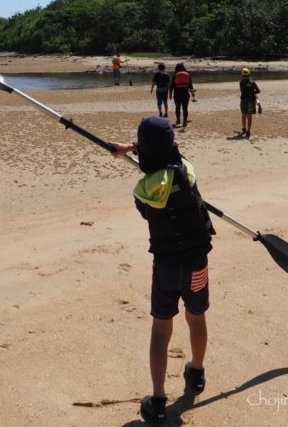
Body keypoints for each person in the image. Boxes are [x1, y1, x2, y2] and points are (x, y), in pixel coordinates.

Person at [109, 117, 215, 422]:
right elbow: (175, 156)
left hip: (166, 267)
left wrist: (131, 148)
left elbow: (150, 199)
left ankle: (157, 400)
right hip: (196, 263)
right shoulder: (189, 172)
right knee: (196, 317)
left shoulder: (143, 189)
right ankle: (196, 373)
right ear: (173, 146)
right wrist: (136, 148)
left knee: (161, 326)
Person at [169, 62, 195, 127]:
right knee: (185, 108)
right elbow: (191, 86)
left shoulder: (175, 75)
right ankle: (184, 122)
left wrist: (170, 94)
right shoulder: (187, 74)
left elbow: (172, 86)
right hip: (185, 94)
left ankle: (178, 120)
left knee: (177, 107)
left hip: (177, 94)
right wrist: (193, 95)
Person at [239, 68, 261, 138]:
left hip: (244, 100)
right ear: (249, 74)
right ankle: (248, 131)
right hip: (251, 101)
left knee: (243, 115)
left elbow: (243, 91)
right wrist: (253, 93)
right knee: (249, 117)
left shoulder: (241, 82)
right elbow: (258, 91)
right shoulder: (252, 81)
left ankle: (244, 128)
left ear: (242, 75)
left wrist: (251, 91)